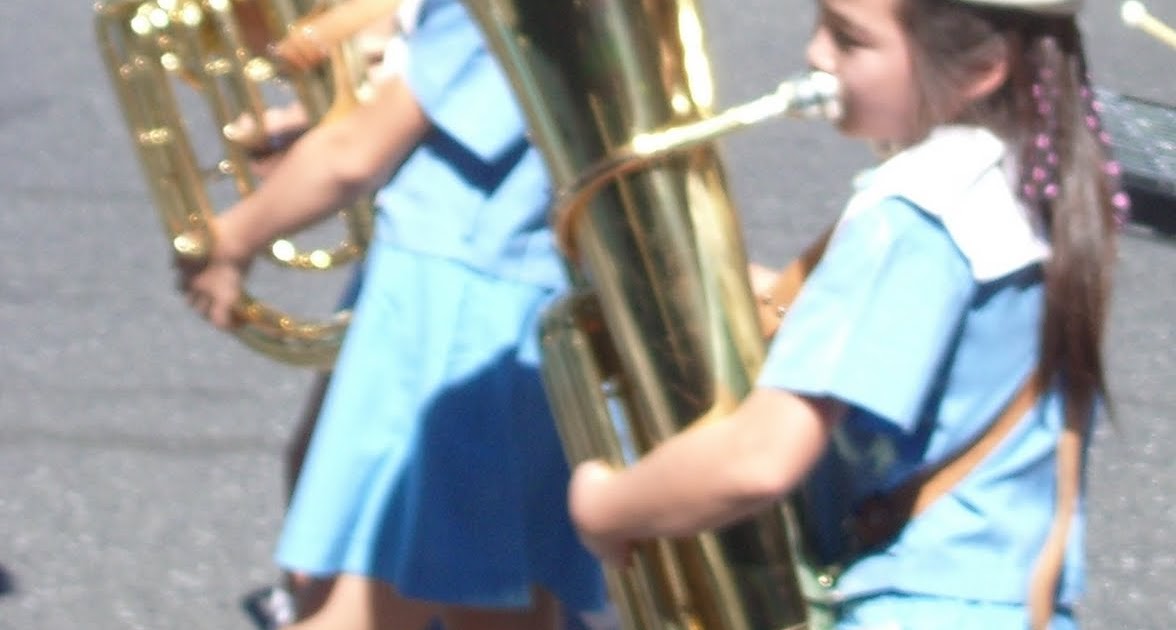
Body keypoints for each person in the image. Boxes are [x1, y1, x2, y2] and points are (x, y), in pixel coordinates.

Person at [567, 0, 1130, 629]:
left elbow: (758, 459)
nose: (815, 53)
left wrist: (607, 507)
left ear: (982, 69)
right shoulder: (1032, 180)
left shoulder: (913, 217)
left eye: (849, 39)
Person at [179, 0, 610, 628]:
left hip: (455, 295)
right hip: (517, 283)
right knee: (498, 591)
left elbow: (355, 152)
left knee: (370, 600)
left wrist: (230, 241)